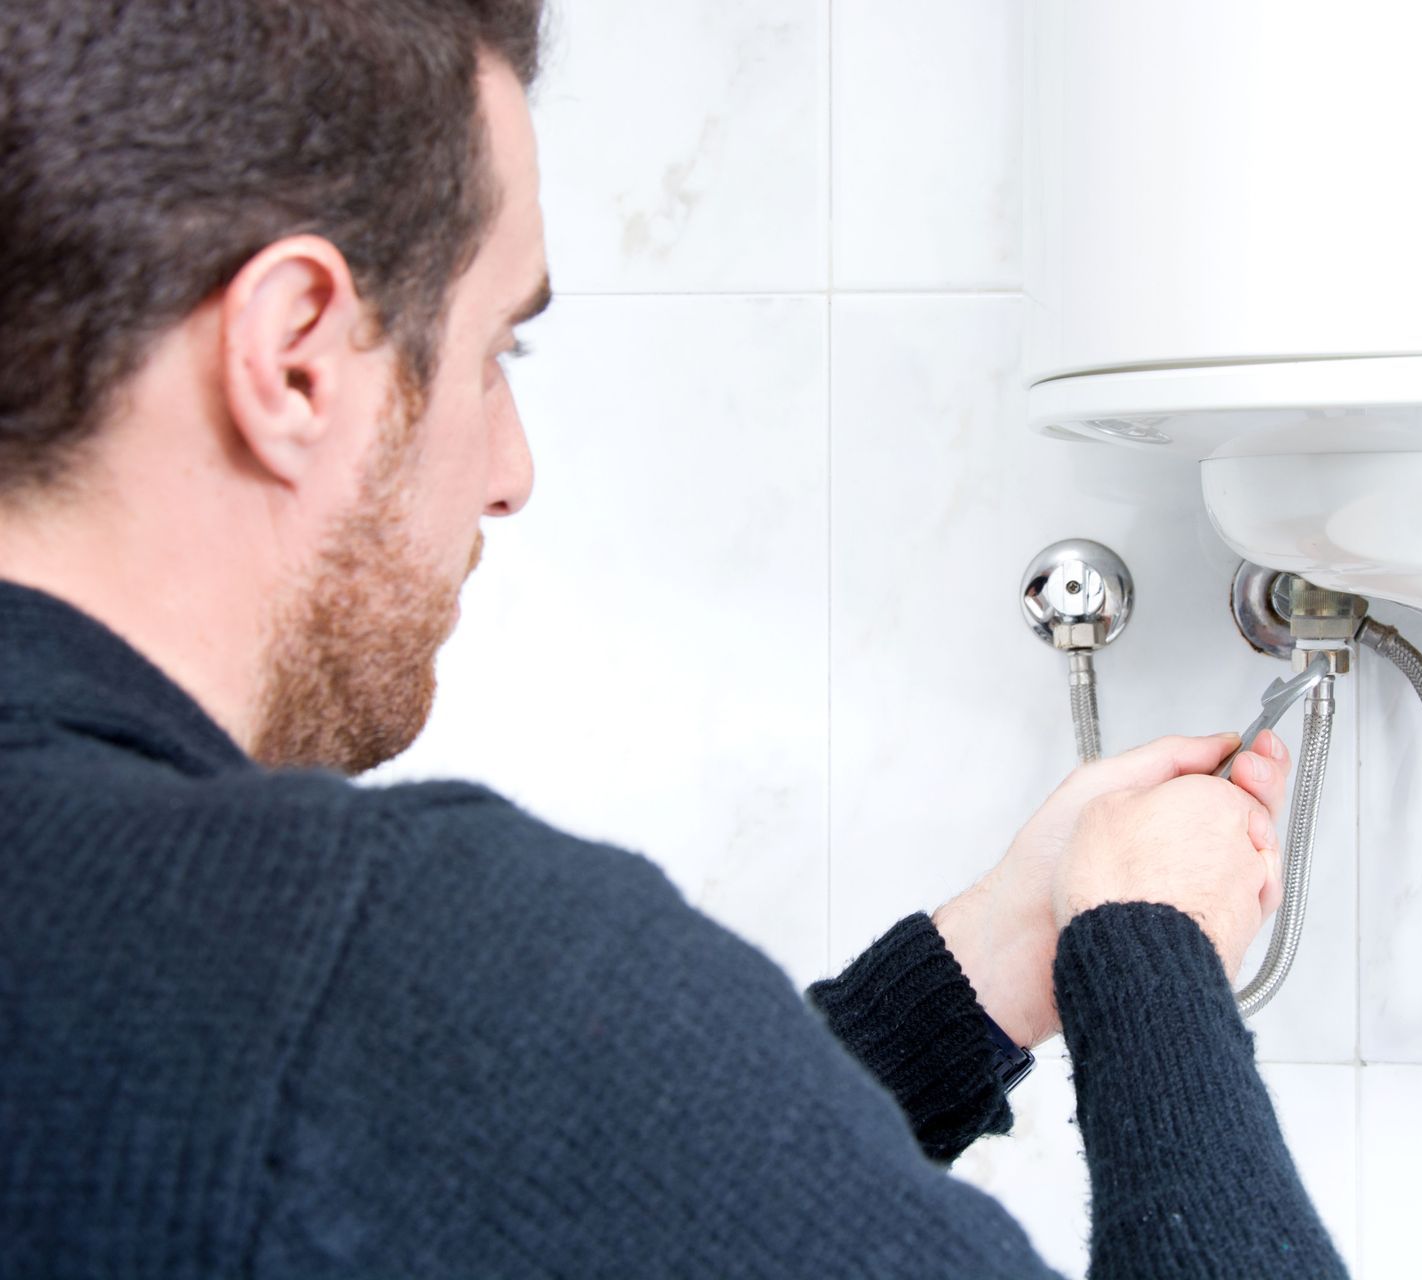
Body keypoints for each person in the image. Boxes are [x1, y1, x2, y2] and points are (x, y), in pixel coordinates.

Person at [0, 3, 1347, 1276]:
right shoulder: (381, 971)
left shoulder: (246, 1033)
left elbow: (515, 1193)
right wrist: (1150, 952)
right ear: (295, 355)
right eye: (493, 355)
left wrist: (995, 956)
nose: (511, 471)